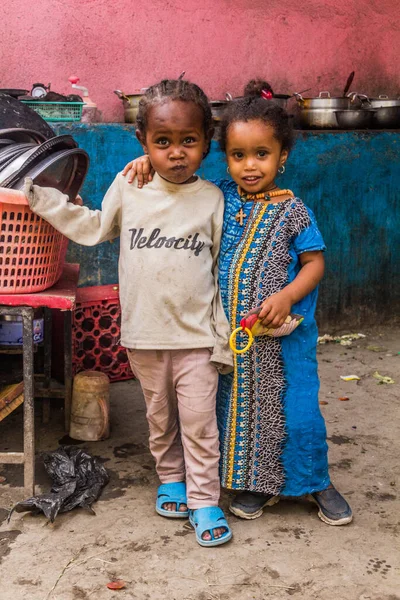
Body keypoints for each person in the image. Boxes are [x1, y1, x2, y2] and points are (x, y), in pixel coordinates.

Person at [122, 80, 353, 526]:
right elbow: (174, 179)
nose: (250, 166)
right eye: (238, 155)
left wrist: (286, 296)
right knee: (240, 415)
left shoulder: (294, 210)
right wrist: (144, 163)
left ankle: (315, 481)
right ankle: (255, 485)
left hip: (284, 338)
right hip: (231, 337)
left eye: (261, 155)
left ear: (282, 156)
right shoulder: (216, 197)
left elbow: (314, 264)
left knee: (298, 412)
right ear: (222, 156)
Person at [24, 78, 234, 547]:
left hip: (197, 337)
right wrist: (48, 203)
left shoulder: (214, 200)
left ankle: (204, 500)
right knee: (159, 419)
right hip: (143, 335)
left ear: (206, 143)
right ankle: (171, 479)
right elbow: (97, 227)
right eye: (162, 142)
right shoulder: (130, 183)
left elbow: (222, 271)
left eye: (188, 141)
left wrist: (223, 336)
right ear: (143, 143)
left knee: (200, 423)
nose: (176, 152)